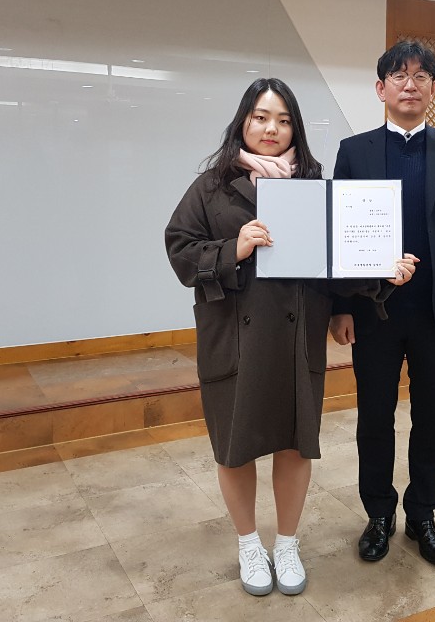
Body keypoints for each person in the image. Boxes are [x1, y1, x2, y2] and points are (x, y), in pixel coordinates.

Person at [164, 78, 417, 597]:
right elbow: (180, 250)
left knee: (296, 445)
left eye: (282, 120)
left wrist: (381, 271)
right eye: (260, 117)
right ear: (243, 122)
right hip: (233, 340)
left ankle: (286, 543)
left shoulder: (315, 186)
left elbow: (336, 264)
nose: (270, 129)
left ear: (294, 128)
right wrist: (233, 248)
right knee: (235, 448)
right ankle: (248, 544)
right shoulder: (212, 185)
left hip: (297, 338)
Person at [329, 40, 435, 566]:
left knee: (432, 418)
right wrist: (340, 306)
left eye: (420, 76)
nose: (409, 85)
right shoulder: (355, 151)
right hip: (373, 312)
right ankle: (379, 513)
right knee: (374, 417)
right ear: (381, 89)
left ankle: (423, 514)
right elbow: (341, 235)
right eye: (398, 76)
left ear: (433, 88)